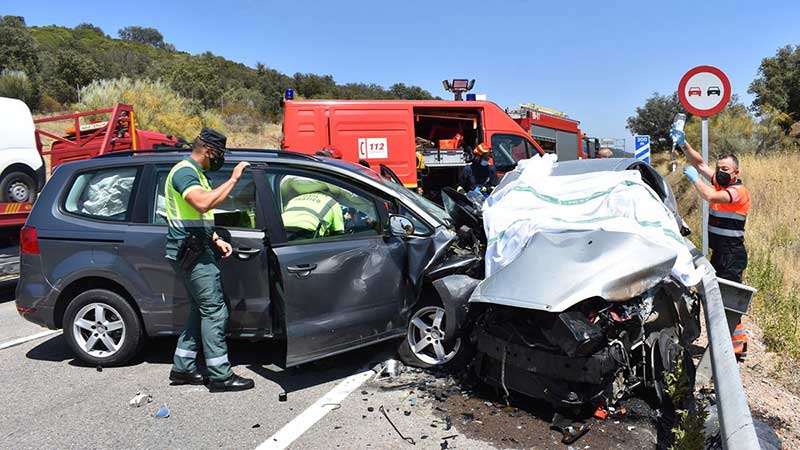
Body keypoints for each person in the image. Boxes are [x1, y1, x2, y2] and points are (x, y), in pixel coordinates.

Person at [165, 128, 254, 392]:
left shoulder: (198, 175)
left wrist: (215, 238)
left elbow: (197, 216)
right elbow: (203, 204)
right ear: (205, 149)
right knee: (215, 310)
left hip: (197, 247)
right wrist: (234, 179)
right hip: (192, 254)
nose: (220, 158)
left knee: (199, 308)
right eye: (218, 153)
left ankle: (182, 367)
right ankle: (220, 376)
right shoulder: (184, 172)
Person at [672, 127, 751, 360]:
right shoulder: (723, 183)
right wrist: (684, 144)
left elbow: (709, 196)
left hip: (732, 254)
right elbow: (700, 164)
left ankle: (735, 349)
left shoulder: (738, 192)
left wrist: (696, 180)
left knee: (727, 304)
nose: (720, 173)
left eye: (725, 169)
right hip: (721, 253)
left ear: (736, 172)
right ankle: (735, 345)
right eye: (719, 169)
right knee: (721, 300)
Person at [280, 176, 345, 240]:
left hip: (280, 228)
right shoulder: (332, 203)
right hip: (306, 232)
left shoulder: (295, 198)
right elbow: (338, 234)